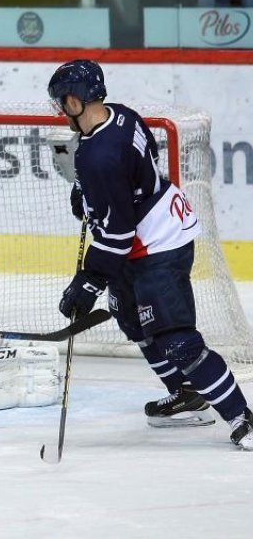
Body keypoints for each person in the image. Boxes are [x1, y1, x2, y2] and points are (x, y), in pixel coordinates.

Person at [47, 59, 252, 450]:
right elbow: (136, 173)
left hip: (157, 243)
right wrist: (90, 196)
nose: (60, 110)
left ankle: (242, 418)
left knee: (178, 340)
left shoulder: (97, 157)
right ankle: (188, 395)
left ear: (74, 101)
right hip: (148, 226)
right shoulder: (122, 115)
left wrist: (87, 283)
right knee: (131, 318)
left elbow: (119, 234)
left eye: (62, 102)